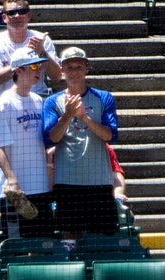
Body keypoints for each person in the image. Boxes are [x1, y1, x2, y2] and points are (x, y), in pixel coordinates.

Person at [43, 47, 119, 242]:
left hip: (99, 180)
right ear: (62, 70)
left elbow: (109, 135)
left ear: (87, 69)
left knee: (104, 237)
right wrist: (68, 115)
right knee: (70, 236)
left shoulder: (103, 97)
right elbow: (52, 138)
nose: (74, 72)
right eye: (69, 67)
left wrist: (85, 118)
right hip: (68, 180)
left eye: (79, 67)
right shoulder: (53, 101)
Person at [0, 47, 55, 239]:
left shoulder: (39, 100)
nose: (38, 71)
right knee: (19, 246)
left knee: (43, 243)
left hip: (41, 186)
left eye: (39, 66)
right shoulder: (4, 103)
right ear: (18, 71)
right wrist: (12, 180)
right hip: (18, 191)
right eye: (34, 67)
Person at [0, 0, 59, 102]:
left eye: (22, 12)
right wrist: (21, 59)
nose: (17, 16)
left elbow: (56, 76)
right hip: (3, 101)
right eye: (12, 13)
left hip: (37, 99)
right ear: (4, 18)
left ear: (28, 15)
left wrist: (42, 53)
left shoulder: (41, 39)